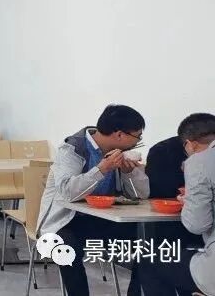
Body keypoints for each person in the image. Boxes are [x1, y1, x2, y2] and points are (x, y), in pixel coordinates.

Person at [37, 105, 149, 296]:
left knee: (149, 241)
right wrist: (102, 169)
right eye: (137, 136)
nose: (138, 142)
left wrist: (129, 172)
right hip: (66, 221)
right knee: (67, 249)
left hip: (104, 219)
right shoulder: (72, 149)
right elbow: (67, 192)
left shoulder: (120, 154)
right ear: (119, 134)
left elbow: (142, 195)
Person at [138, 113, 215, 296]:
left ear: (190, 144)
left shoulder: (199, 161)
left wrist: (189, 200)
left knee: (148, 258)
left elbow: (197, 225)